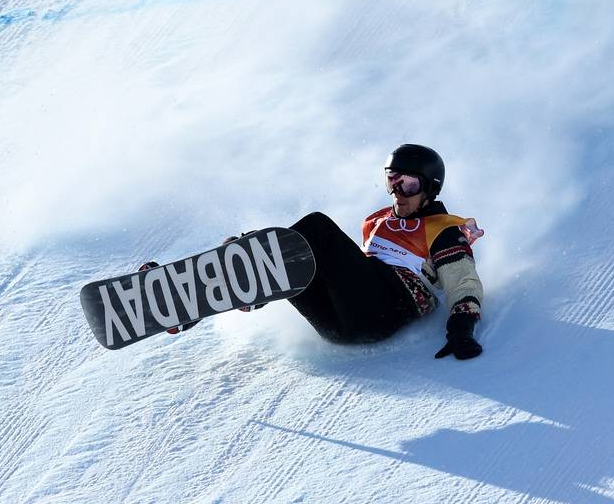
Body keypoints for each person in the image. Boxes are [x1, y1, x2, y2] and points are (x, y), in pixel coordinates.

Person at [149, 144, 486, 360]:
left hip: (389, 308)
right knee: (287, 250)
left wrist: (461, 328)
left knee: (317, 229)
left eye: (409, 184)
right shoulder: (377, 221)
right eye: (392, 180)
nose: (398, 192)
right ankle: (194, 301)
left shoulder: (445, 228)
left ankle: (252, 284)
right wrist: (254, 244)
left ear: (430, 188)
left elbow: (463, 282)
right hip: (338, 326)